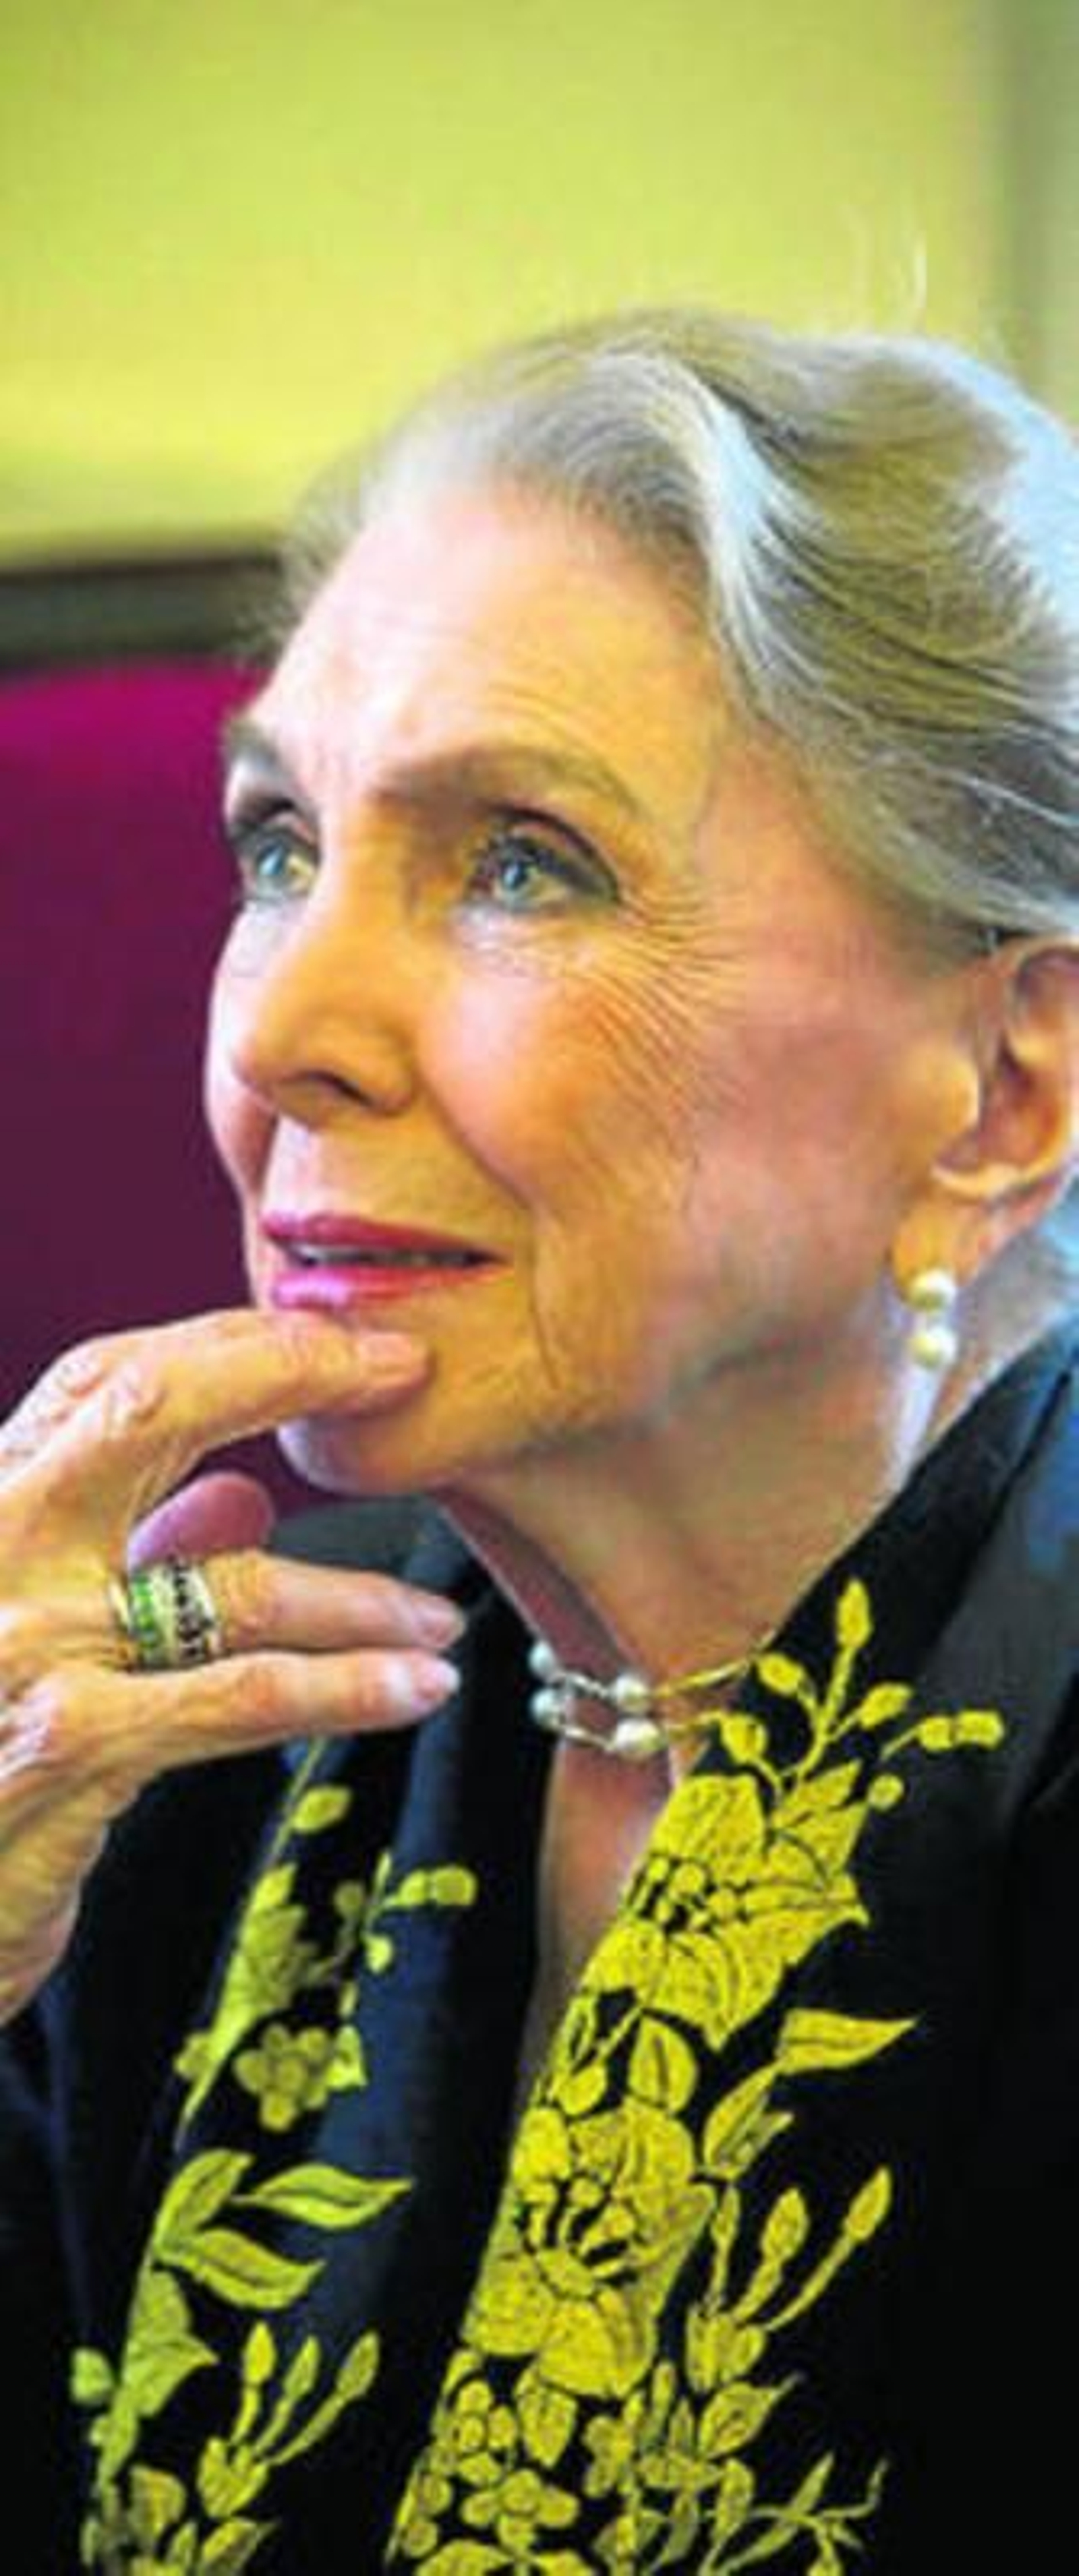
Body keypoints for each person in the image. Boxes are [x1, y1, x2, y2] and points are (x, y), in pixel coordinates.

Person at [1, 309, 1078, 2576]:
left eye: (522, 866)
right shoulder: (145, 1757)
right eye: (279, 847)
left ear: (1004, 1091)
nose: (282, 1032)